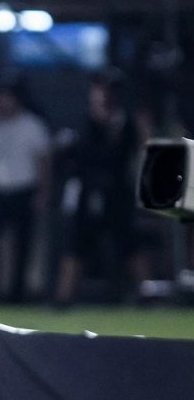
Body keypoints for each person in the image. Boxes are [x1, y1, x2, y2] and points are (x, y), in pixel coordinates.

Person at [53, 69, 150, 306]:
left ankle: (147, 293)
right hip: (88, 191)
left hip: (117, 191)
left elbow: (139, 149)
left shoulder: (126, 121)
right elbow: (69, 156)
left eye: (107, 89)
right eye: (99, 89)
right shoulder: (82, 121)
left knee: (129, 243)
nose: (102, 94)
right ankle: (63, 298)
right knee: (76, 245)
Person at [0, 79, 51, 302]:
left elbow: (44, 162)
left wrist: (42, 193)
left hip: (24, 191)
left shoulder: (32, 126)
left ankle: (18, 293)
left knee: (23, 245)